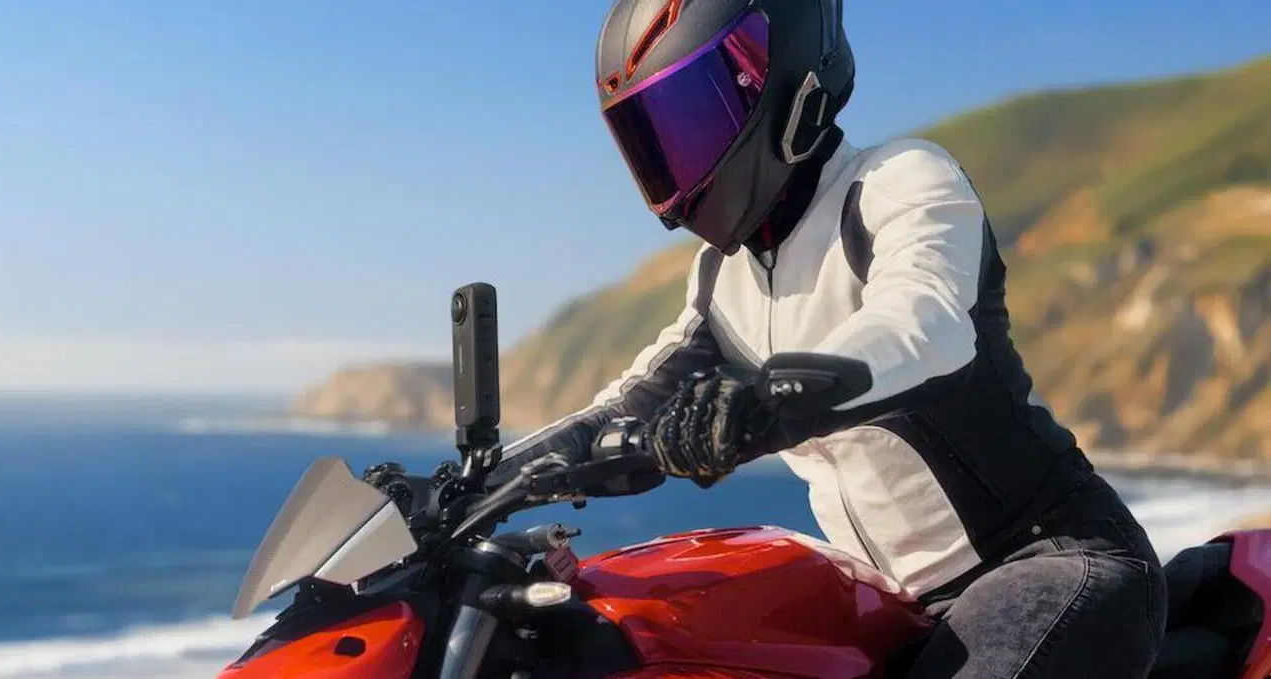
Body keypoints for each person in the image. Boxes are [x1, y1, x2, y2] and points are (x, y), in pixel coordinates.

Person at [487, 1, 1167, 677]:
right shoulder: (723, 280)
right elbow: (626, 405)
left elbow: (924, 323)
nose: (679, 158)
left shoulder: (898, 181)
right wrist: (470, 485)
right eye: (655, 136)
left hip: (1043, 558)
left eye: (695, 115)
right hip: (891, 602)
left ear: (784, 75)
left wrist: (764, 399)